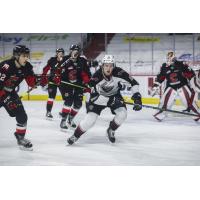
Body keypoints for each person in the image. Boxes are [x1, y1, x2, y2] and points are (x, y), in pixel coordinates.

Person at [67, 55, 142, 145]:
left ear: (114, 66)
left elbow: (134, 83)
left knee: (123, 114)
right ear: (102, 66)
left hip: (115, 95)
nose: (108, 68)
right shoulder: (97, 76)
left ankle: (111, 129)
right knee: (89, 121)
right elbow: (91, 93)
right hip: (98, 98)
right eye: (106, 65)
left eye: (110, 66)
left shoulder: (119, 72)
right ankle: (76, 135)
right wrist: (109, 100)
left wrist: (137, 97)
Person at [0, 45, 40, 151]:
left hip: (9, 93)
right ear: (17, 56)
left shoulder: (27, 67)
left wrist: (39, 81)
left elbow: (32, 82)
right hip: (1, 92)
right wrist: (4, 97)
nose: (26, 58)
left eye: (27, 56)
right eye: (24, 56)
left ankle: (20, 138)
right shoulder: (6, 66)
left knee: (22, 116)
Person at [150, 51, 200, 121]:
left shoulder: (181, 64)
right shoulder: (164, 66)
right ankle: (160, 113)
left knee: (190, 103)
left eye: (170, 58)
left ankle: (196, 114)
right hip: (170, 87)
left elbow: (190, 74)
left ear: (174, 57)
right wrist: (155, 86)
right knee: (164, 102)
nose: (169, 60)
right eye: (168, 58)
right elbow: (160, 77)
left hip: (182, 85)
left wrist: (194, 83)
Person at [59, 44, 91, 131]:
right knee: (68, 101)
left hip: (78, 84)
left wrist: (87, 81)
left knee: (78, 104)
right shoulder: (64, 59)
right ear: (70, 51)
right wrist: (69, 60)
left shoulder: (82, 60)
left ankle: (70, 118)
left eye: (77, 51)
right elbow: (58, 69)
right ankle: (63, 120)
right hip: (66, 83)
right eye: (73, 50)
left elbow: (87, 72)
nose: (75, 52)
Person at [40, 48, 65, 120]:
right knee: (51, 97)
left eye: (61, 53)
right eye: (59, 52)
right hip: (52, 81)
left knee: (66, 98)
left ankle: (64, 112)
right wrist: (43, 78)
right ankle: (48, 112)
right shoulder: (52, 60)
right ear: (56, 53)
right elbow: (45, 69)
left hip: (62, 81)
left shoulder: (66, 60)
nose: (60, 54)